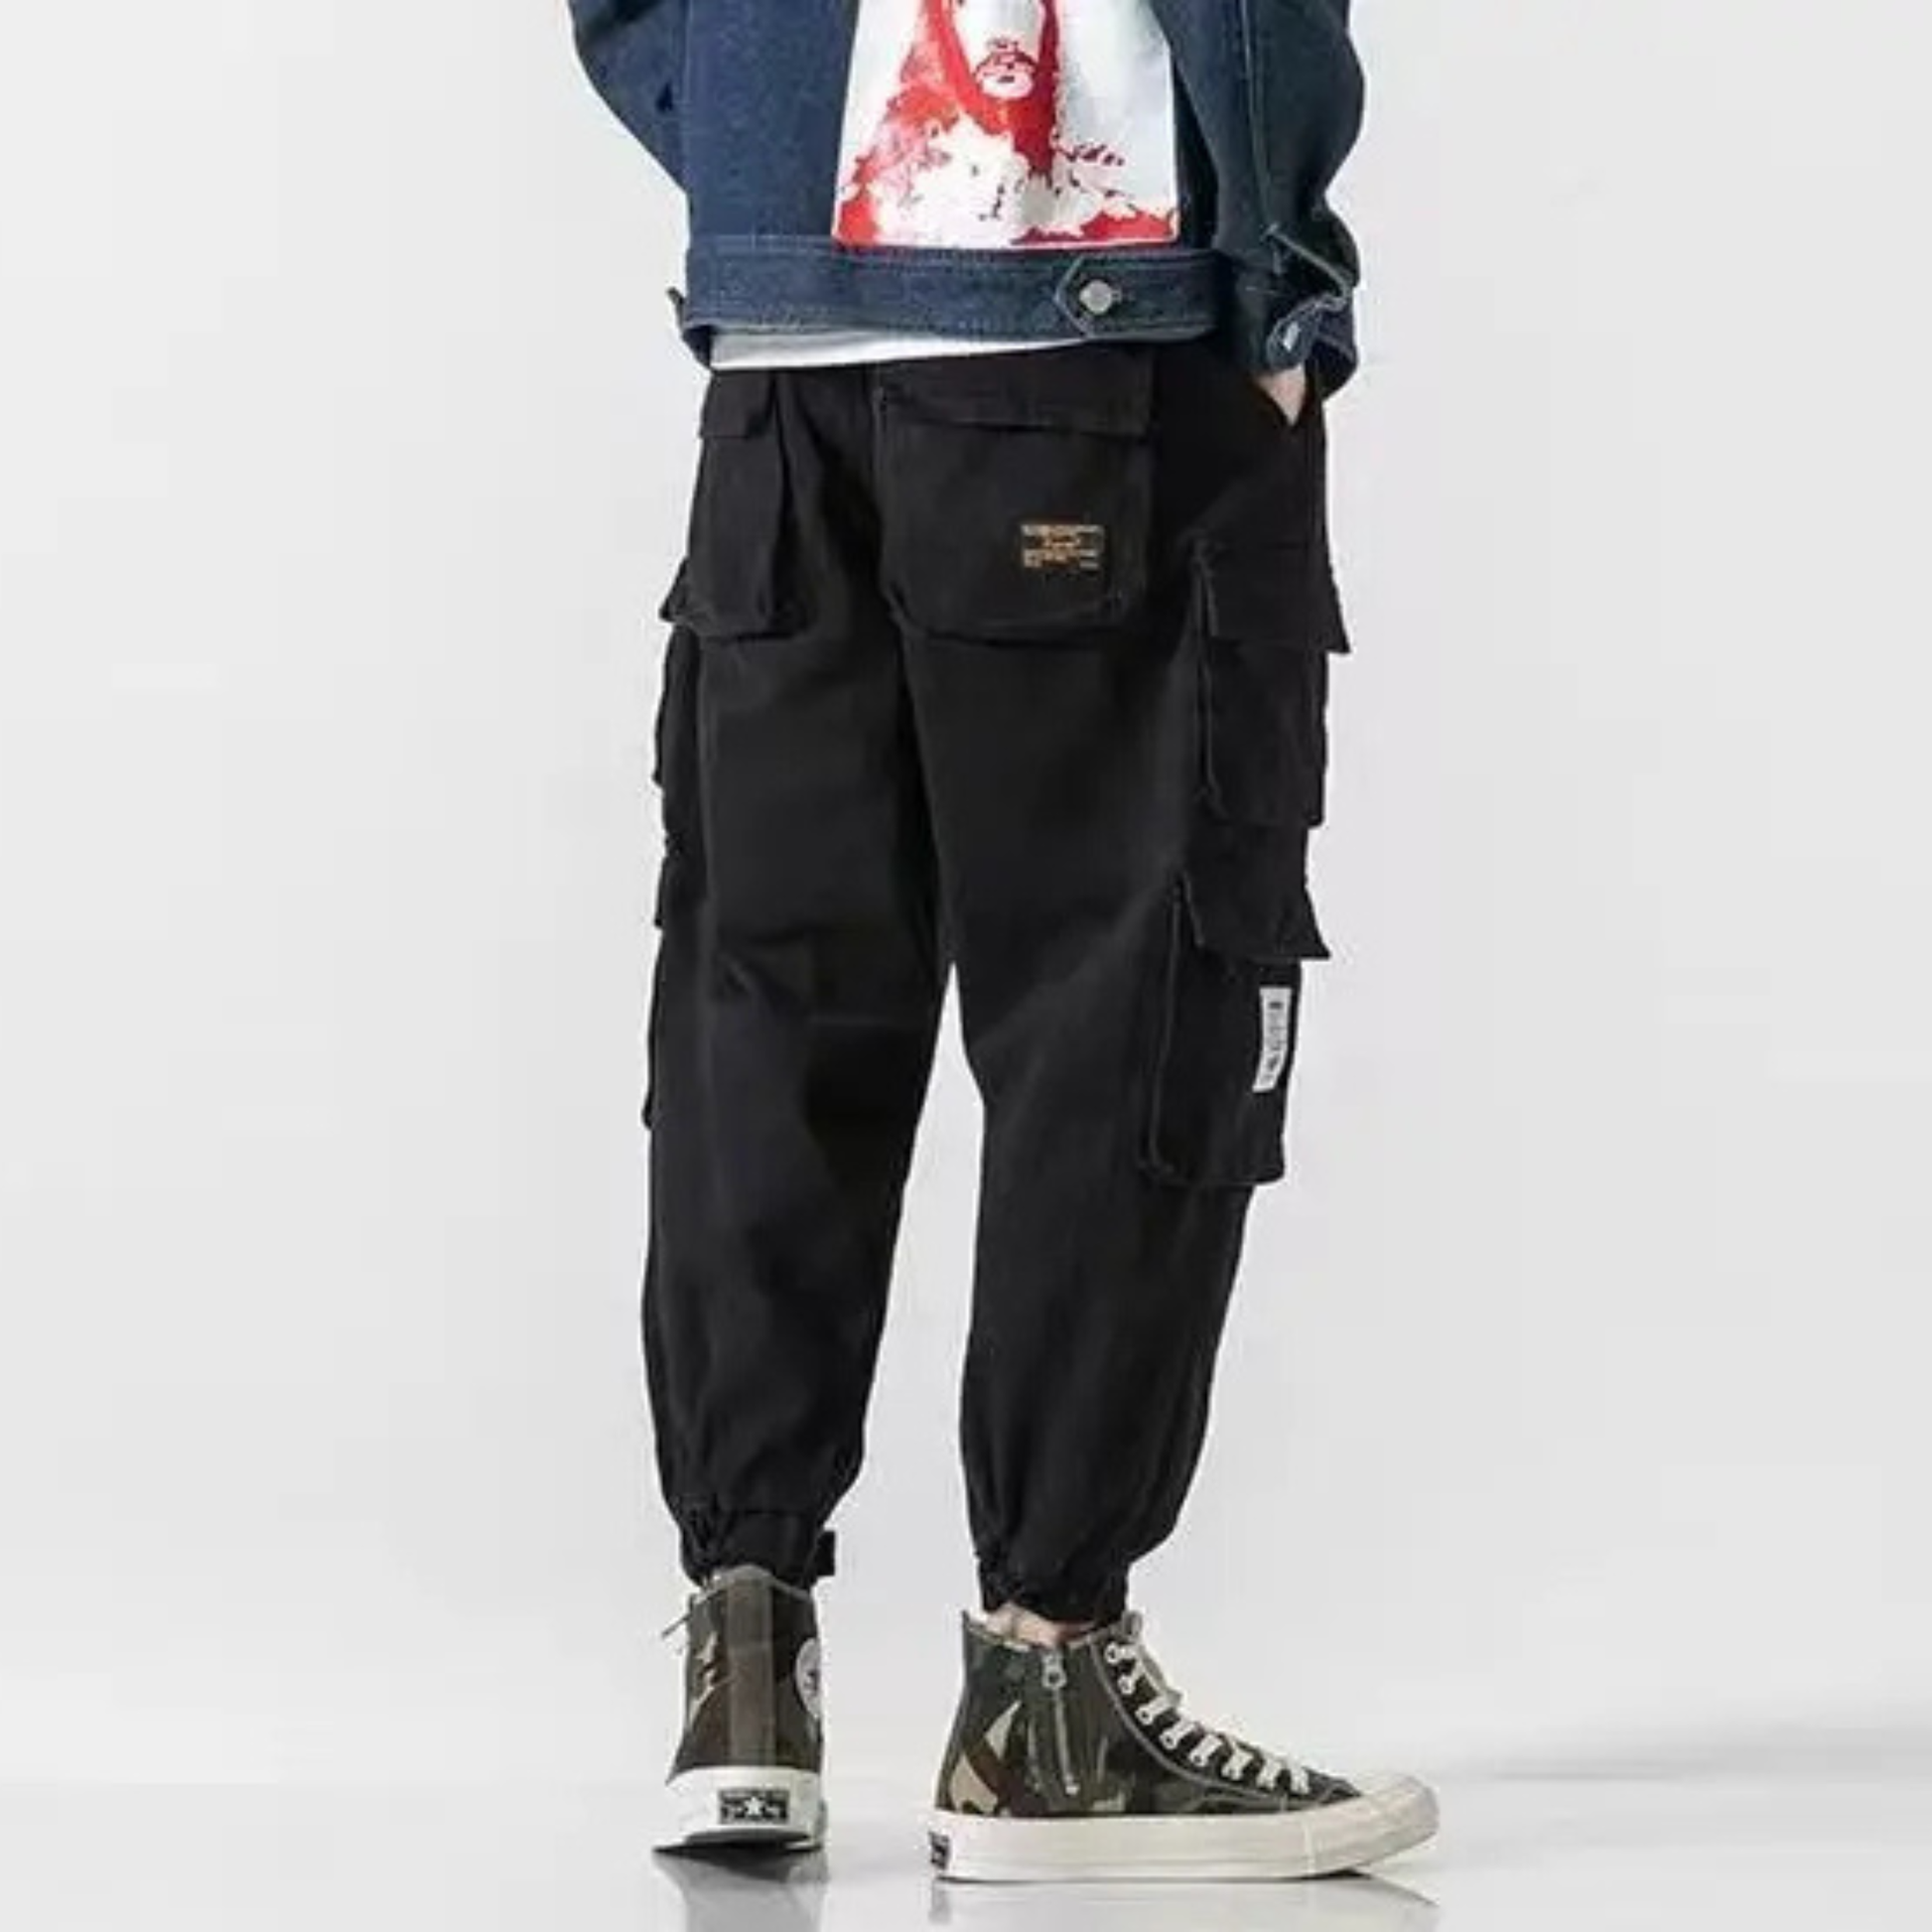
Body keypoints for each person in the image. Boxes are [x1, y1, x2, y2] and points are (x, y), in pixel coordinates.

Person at [569, 0, 1438, 1883]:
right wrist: (1279, 271)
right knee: (1130, 995)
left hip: (789, 365)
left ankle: (745, 1654)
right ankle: (1052, 1685)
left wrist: (759, 184)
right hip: (1097, 325)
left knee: (770, 996)